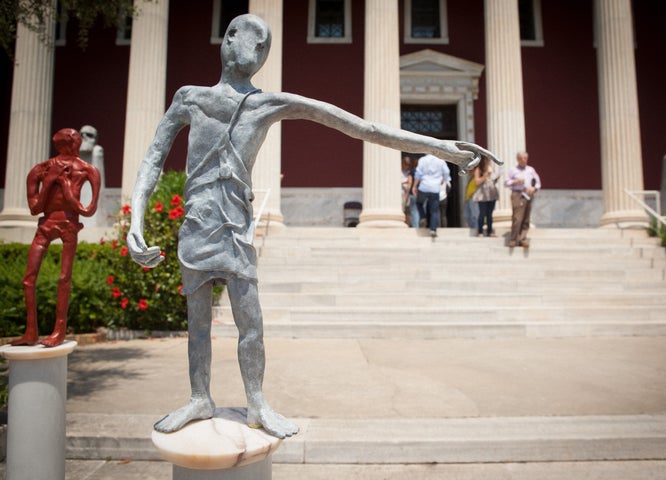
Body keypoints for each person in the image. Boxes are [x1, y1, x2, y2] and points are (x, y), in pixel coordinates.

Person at [127, 14, 500, 439]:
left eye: (262, 45)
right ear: (228, 41)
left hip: (235, 227)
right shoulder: (189, 98)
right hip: (198, 222)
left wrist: (439, 147)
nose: (253, 51)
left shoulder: (270, 104)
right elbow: (154, 157)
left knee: (251, 323)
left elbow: (363, 128)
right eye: (246, 39)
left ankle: (258, 403)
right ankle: (199, 398)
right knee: (197, 323)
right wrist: (135, 219)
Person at [11, 128, 101, 348]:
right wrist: (50, 181)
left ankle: (58, 331)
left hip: (70, 225)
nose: (76, 145)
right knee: (28, 279)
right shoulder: (40, 170)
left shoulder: (88, 170)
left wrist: (66, 187)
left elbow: (88, 211)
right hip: (45, 224)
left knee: (64, 277)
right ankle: (31, 331)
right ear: (67, 143)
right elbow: (35, 209)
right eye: (75, 141)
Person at [504, 151, 541, 248]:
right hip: (517, 193)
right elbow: (506, 182)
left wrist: (534, 188)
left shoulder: (530, 170)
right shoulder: (513, 170)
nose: (524, 160)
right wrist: (515, 181)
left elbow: (538, 182)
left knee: (526, 217)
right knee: (517, 217)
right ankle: (513, 239)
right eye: (521, 158)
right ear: (518, 159)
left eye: (525, 158)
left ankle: (523, 238)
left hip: (528, 194)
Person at [412, 154, 450, 237]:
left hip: (424, 187)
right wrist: (445, 179)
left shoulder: (422, 160)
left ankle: (423, 217)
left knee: (419, 203)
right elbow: (446, 172)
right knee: (434, 211)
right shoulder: (441, 160)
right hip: (435, 188)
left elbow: (418, 173)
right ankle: (433, 230)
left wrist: (414, 186)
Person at [79, 125, 105, 227]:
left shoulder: (97, 151)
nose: (84, 137)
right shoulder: (76, 153)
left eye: (89, 135)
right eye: (81, 135)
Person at [471, 156, 499, 237]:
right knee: (482, 213)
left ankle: (490, 231)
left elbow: (493, 180)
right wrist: (485, 176)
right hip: (482, 195)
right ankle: (480, 231)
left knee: (490, 214)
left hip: (491, 194)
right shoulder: (478, 170)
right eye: (487, 160)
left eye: (489, 160)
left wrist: (496, 177)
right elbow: (476, 182)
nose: (488, 161)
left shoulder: (491, 168)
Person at [401, 154, 419, 227]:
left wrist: (407, 194)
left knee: (409, 211)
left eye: (408, 165)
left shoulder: (409, 172)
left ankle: (409, 226)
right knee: (407, 211)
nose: (407, 167)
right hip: (402, 193)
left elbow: (409, 183)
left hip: (407, 193)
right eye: (406, 165)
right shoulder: (400, 171)